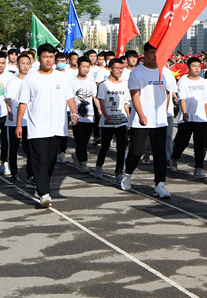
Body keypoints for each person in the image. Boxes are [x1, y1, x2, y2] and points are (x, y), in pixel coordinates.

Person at [15, 43, 79, 208]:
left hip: (57, 126)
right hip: (37, 127)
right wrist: (19, 125)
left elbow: (69, 97)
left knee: (50, 161)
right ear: (39, 58)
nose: (48, 60)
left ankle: (40, 186)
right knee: (41, 160)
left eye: (51, 57)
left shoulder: (61, 77)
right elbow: (23, 102)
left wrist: (74, 112)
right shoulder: (31, 78)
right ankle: (44, 193)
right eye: (45, 57)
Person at [125, 42, 176, 197]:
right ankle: (127, 174)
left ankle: (160, 185)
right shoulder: (137, 73)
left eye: (158, 53)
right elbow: (135, 96)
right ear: (145, 53)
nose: (155, 56)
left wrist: (164, 113)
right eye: (152, 52)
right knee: (136, 152)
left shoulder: (166, 73)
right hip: (140, 120)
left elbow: (167, 94)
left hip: (159, 121)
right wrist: (141, 115)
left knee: (160, 154)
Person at [171, 57, 207, 178]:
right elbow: (182, 99)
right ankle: (174, 158)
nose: (197, 68)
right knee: (182, 142)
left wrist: (205, 112)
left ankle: (198, 168)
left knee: (200, 144)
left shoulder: (204, 82)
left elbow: (206, 100)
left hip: (201, 119)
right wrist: (184, 112)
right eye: (194, 66)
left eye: (198, 66)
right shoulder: (183, 81)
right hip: (187, 118)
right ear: (188, 68)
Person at [94, 57, 131, 185]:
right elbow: (102, 102)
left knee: (121, 147)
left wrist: (129, 118)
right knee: (105, 146)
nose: (120, 71)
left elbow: (126, 103)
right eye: (117, 68)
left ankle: (118, 172)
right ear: (110, 69)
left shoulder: (124, 85)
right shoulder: (103, 85)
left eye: (122, 68)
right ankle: (99, 165)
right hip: (107, 122)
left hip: (121, 121)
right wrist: (105, 115)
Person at [4, 53, 33, 187]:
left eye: (27, 63)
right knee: (13, 149)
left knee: (29, 150)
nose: (25, 66)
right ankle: (13, 175)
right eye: (22, 63)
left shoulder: (32, 81)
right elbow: (8, 98)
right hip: (14, 121)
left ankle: (30, 176)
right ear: (17, 65)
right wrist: (10, 110)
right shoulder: (12, 82)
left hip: (29, 121)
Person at [69, 57, 99, 173]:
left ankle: (77, 154)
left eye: (88, 67)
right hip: (76, 116)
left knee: (85, 140)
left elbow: (95, 98)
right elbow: (69, 99)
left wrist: (99, 109)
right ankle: (83, 162)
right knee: (80, 139)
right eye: (83, 66)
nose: (86, 69)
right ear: (78, 66)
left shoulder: (91, 83)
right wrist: (71, 113)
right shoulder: (71, 83)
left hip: (89, 116)